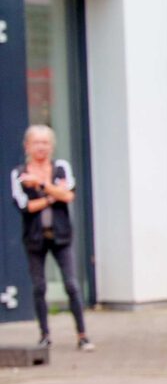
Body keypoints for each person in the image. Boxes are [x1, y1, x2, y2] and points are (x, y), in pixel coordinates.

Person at [13, 124, 88, 350]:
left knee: (71, 284)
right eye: (36, 142)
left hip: (61, 235)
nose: (41, 147)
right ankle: (44, 335)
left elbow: (69, 195)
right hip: (35, 238)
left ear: (52, 146)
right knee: (39, 287)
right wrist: (53, 195)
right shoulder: (19, 173)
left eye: (45, 142)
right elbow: (25, 206)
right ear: (27, 146)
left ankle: (82, 334)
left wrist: (41, 185)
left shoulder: (61, 168)